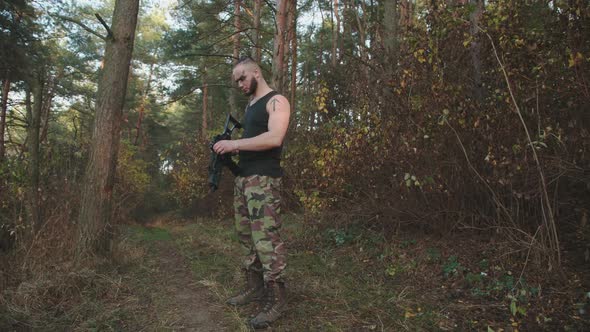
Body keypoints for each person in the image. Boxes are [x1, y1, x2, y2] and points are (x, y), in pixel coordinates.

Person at [212, 56, 290, 329]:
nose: (240, 84)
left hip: (264, 181)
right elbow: (248, 144)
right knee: (247, 238)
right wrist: (226, 150)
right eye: (236, 81)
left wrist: (235, 145)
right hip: (244, 180)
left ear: (256, 71)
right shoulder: (250, 106)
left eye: (242, 78)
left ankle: (277, 300)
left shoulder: (276, 101)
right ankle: (255, 289)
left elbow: (274, 137)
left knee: (266, 239)